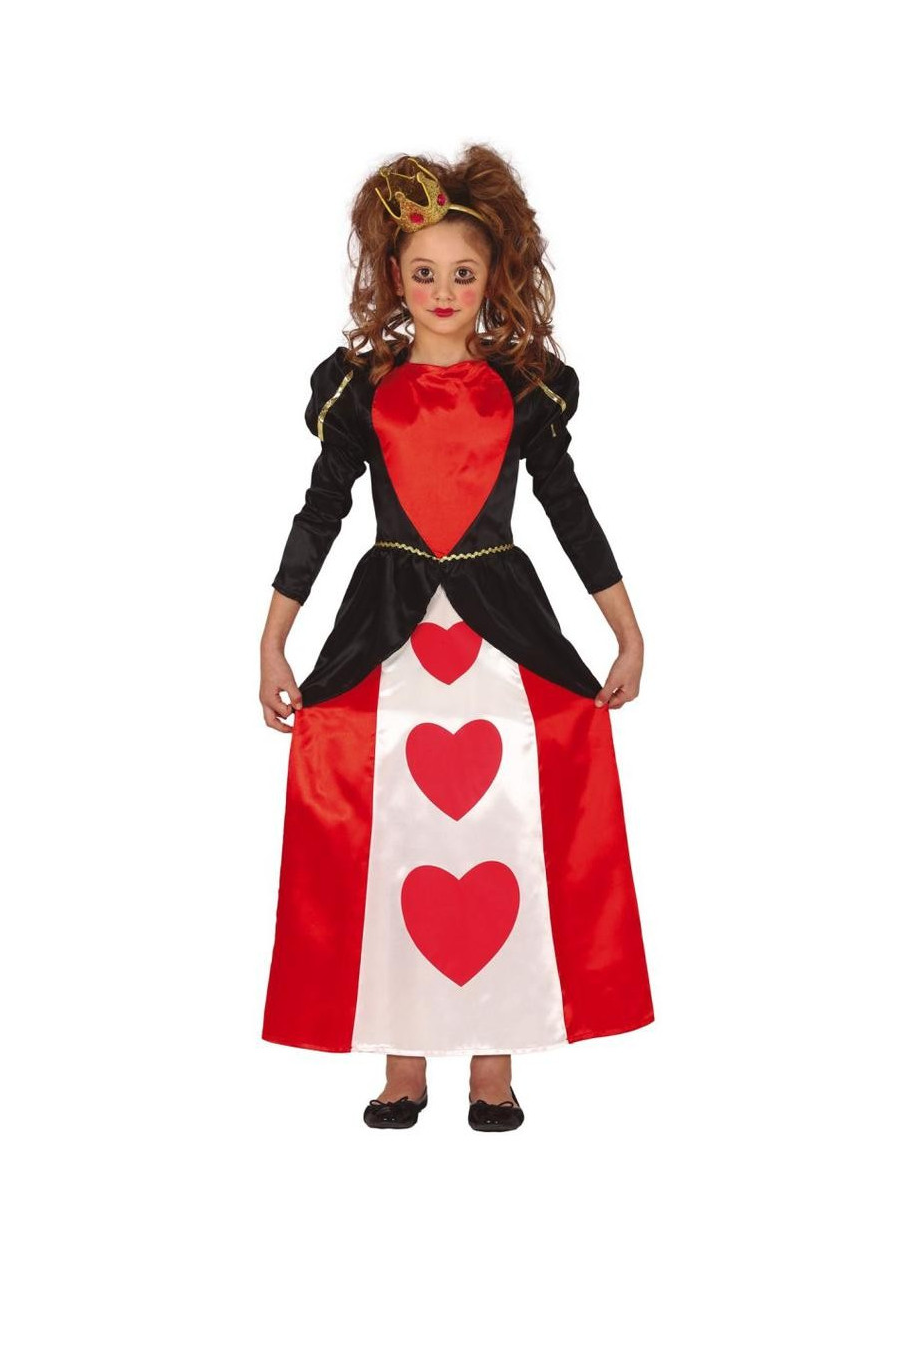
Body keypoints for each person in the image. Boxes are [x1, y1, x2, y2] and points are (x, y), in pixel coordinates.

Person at [259, 146, 654, 1132]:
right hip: (386, 624)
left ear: (493, 278)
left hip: (502, 625)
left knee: (503, 824)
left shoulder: (523, 388)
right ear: (392, 277)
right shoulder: (362, 388)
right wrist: (274, 642)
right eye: (423, 271)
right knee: (391, 825)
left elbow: (569, 512)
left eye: (463, 273)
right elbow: (318, 516)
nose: (442, 292)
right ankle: (402, 1063)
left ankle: (493, 1065)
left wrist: (626, 632)